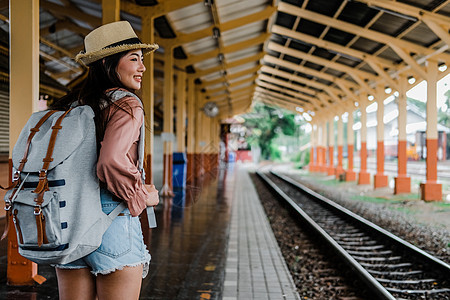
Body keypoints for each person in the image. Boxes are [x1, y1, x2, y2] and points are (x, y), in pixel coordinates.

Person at [49, 21, 160, 300]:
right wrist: (140, 197)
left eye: (142, 59)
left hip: (68, 220)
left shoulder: (71, 105)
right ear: (109, 64)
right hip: (111, 219)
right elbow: (110, 160)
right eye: (134, 59)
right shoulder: (127, 103)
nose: (142, 67)